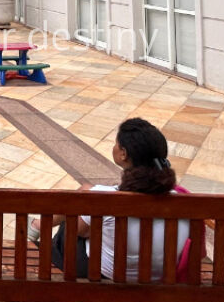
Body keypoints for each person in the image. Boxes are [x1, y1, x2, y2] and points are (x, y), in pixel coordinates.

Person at [35, 117, 186, 280]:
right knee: (88, 203)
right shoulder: (184, 202)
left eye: (116, 143)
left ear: (123, 154)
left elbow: (78, 230)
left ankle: (38, 228)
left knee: (70, 220)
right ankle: (38, 226)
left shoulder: (105, 197)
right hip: (157, 277)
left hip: (106, 273)